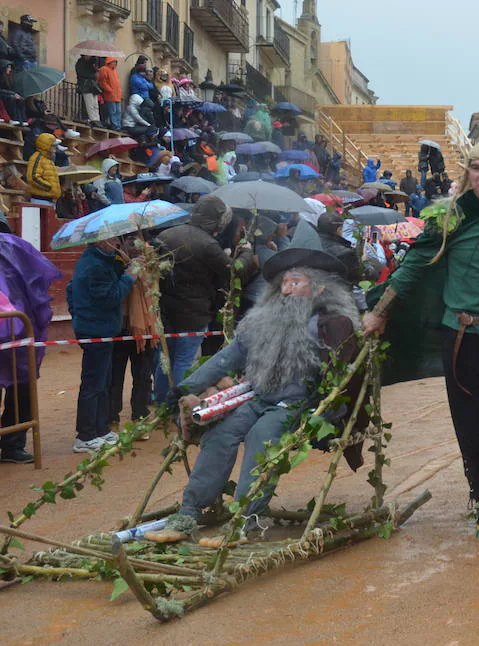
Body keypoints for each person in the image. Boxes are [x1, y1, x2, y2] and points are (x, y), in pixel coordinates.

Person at [364, 139, 479, 539]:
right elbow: (415, 262)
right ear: (468, 172)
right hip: (465, 335)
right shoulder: (449, 215)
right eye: (477, 168)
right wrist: (381, 312)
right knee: (473, 425)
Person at [173, 241, 363, 528]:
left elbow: (341, 376)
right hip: (258, 398)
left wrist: (328, 409)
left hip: (300, 404)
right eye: (284, 283)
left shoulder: (331, 324)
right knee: (220, 434)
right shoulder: (261, 321)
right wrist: (186, 388)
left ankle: (245, 516)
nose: (286, 290)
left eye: (296, 282)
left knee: (262, 437)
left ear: (320, 289)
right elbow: (229, 357)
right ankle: (190, 509)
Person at [154, 197, 232, 402]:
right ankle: (176, 404)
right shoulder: (208, 244)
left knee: (165, 358)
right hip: (194, 313)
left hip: (165, 308)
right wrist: (246, 254)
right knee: (184, 361)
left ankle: (161, 399)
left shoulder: (166, 234)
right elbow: (232, 271)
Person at [68, 238, 138, 452]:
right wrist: (129, 277)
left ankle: (101, 429)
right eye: (114, 240)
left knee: (103, 381)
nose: (117, 243)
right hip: (95, 329)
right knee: (93, 383)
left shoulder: (100, 260)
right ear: (101, 241)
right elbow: (111, 297)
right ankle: (85, 435)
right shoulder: (94, 265)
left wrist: (126, 266)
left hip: (100, 328)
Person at [0, 228, 61, 464]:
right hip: (20, 329)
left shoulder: (13, 247)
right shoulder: (14, 246)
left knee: (22, 386)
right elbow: (37, 283)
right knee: (22, 386)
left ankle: (12, 444)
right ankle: (12, 445)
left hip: (17, 329)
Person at [24, 132, 60, 203]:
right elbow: (33, 177)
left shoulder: (48, 159)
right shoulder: (37, 158)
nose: (55, 147)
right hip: (40, 200)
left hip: (49, 200)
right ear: (46, 146)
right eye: (53, 145)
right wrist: (49, 187)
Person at [74, 55, 101, 125]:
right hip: (85, 86)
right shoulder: (80, 63)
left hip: (92, 86)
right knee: (90, 104)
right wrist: (94, 75)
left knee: (95, 104)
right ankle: (93, 119)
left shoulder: (91, 63)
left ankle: (97, 119)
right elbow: (82, 74)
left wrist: (95, 68)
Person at [97, 58, 122, 129]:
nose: (115, 63)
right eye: (113, 62)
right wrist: (110, 90)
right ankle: (115, 126)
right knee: (113, 111)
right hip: (110, 95)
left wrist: (119, 92)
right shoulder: (104, 69)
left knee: (118, 112)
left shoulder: (114, 71)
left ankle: (118, 126)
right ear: (109, 62)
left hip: (116, 95)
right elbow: (102, 82)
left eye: (115, 62)